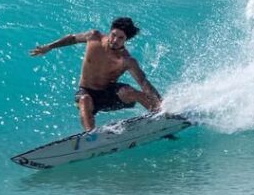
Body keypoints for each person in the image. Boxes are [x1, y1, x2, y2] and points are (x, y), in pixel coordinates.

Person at [30, 16, 162, 132]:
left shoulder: (126, 60)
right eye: (113, 34)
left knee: (130, 91)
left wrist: (161, 104)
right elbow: (72, 38)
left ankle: (159, 117)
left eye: (120, 38)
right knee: (84, 100)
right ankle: (91, 137)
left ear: (126, 40)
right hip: (86, 92)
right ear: (110, 31)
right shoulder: (93, 37)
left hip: (108, 94)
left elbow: (144, 83)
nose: (115, 40)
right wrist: (50, 46)